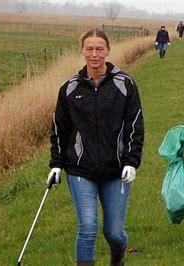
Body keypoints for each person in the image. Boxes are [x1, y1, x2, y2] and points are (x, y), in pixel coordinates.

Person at [48, 28, 144, 265]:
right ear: (82, 51)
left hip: (116, 171)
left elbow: (135, 125)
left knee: (114, 233)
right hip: (81, 170)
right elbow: (60, 129)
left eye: (99, 49)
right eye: (89, 49)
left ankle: (118, 254)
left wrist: (132, 161)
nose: (94, 54)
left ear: (108, 51)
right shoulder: (70, 88)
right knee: (88, 226)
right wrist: (56, 165)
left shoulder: (125, 84)